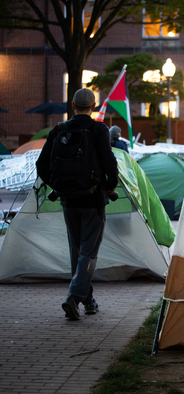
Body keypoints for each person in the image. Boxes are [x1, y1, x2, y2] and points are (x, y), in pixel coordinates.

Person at [36, 88, 119, 320]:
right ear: (93, 107)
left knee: (77, 251)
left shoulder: (59, 130)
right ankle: (74, 297)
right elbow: (108, 160)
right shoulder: (98, 129)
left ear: (72, 105)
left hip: (68, 200)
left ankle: (88, 301)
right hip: (93, 199)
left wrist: (57, 185)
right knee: (89, 252)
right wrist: (111, 184)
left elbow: (41, 165)